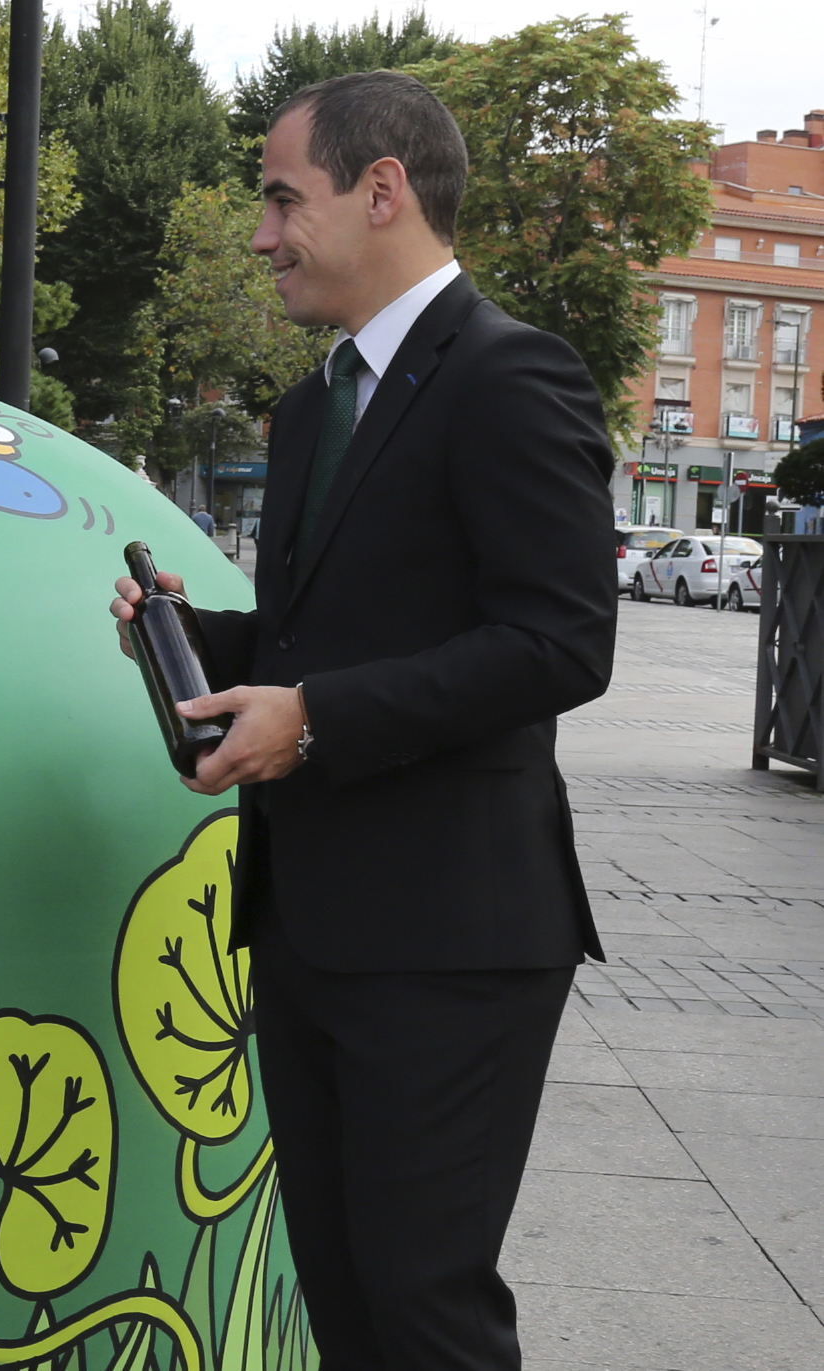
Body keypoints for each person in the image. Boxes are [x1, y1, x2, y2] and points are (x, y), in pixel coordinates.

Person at [112, 73, 615, 1371]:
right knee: (346, 1310)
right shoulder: (312, 405)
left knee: (424, 1313)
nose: (263, 235)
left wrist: (316, 719)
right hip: (310, 927)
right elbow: (320, 640)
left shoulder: (511, 375)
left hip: (451, 942)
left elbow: (561, 640)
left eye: (284, 200)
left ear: (381, 189)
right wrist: (195, 638)